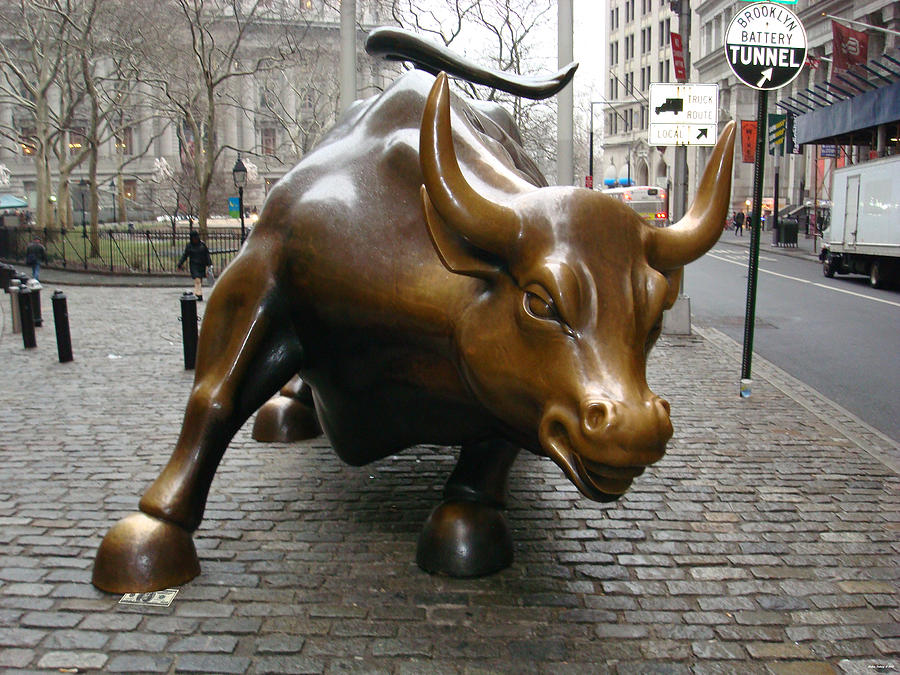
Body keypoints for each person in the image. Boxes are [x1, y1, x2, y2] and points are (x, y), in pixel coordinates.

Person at [177, 231, 213, 300]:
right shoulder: (189, 246)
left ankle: (197, 292)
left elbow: (207, 255)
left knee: (199, 280)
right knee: (197, 280)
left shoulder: (202, 245)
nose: (195, 239)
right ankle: (199, 295)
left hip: (202, 265)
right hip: (194, 265)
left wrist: (209, 265)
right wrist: (180, 264)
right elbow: (185, 255)